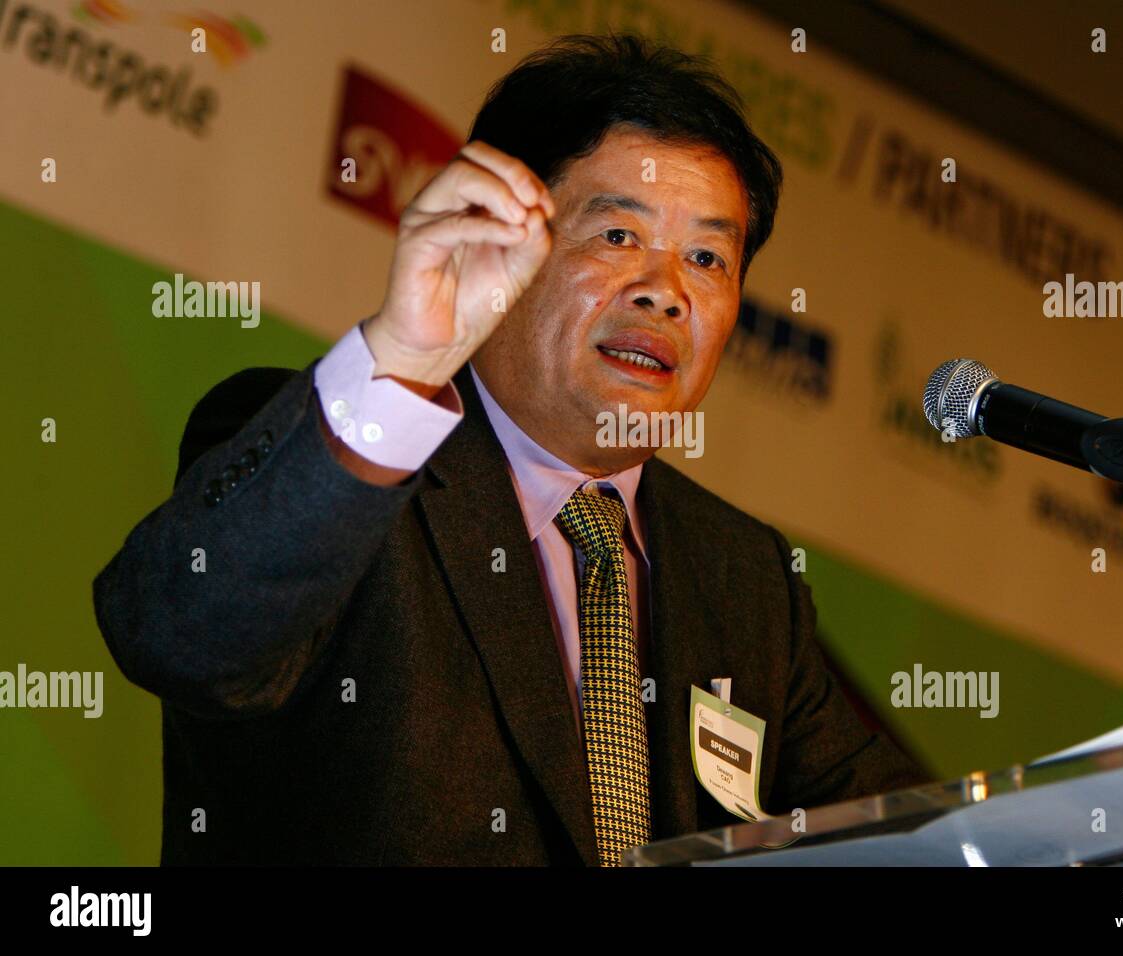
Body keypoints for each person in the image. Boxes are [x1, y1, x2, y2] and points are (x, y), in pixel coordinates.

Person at [93, 33, 928, 866]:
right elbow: (180, 639)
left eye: (707, 257)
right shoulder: (347, 456)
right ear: (498, 236)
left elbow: (901, 838)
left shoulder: (742, 578)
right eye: (617, 237)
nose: (666, 292)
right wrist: (407, 360)